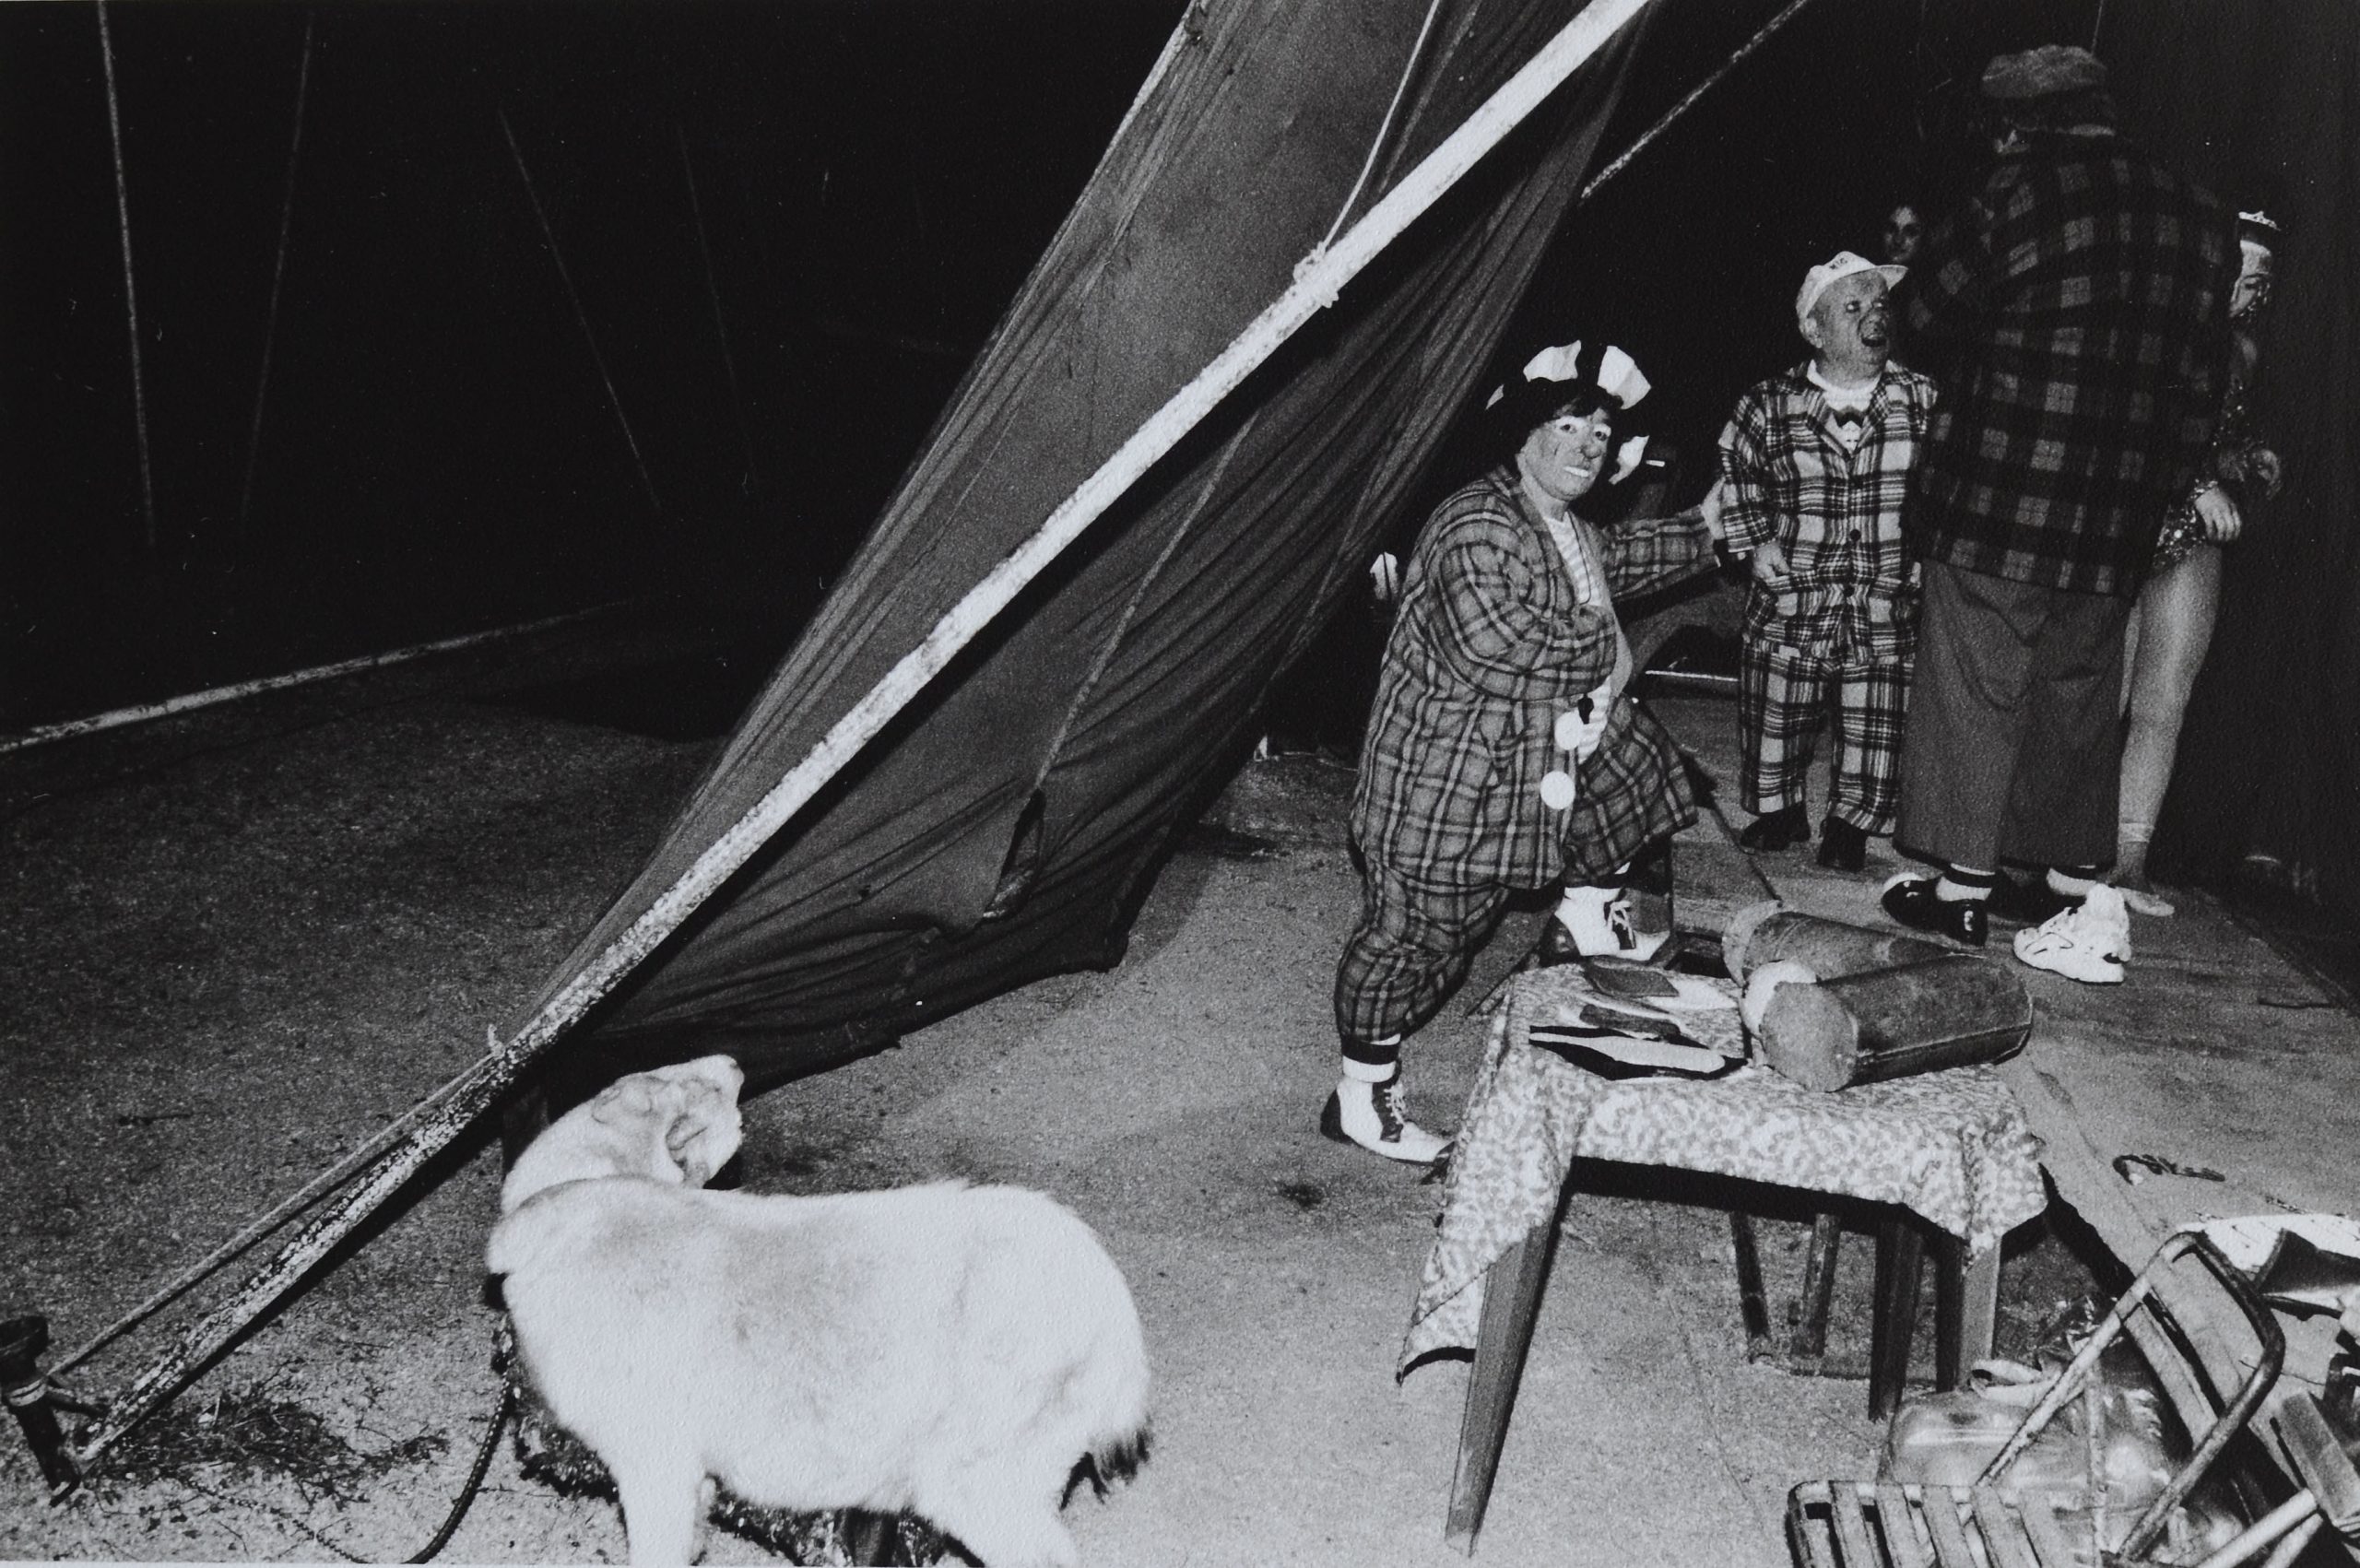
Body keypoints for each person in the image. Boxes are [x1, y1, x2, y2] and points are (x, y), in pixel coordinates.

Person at [1878, 43, 2236, 984]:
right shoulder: (2194, 210)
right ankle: (2039, 880)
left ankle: (1960, 894)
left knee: (1976, 681)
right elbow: (2203, 380)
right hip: (2113, 512)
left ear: (2012, 124)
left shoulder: (2014, 192)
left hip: (1997, 493)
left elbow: (1919, 318)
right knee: (2076, 690)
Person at [1328, 341, 1721, 1161]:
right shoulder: (1477, 521)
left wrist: (1705, 532)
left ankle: (1587, 911)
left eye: (1601, 433)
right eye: (1569, 424)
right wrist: (1603, 633)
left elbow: (1617, 560)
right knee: (1418, 944)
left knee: (1632, 760)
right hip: (1439, 791)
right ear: (1524, 435)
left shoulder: (1565, 525)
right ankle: (1361, 1098)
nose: (1587, 444)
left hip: (1512, 777)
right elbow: (1498, 645)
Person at [1720, 252, 1940, 872]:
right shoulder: (1768, 403)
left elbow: (1946, 482)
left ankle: (1851, 821)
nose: (1874, 318)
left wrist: (1931, 548)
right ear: (1813, 330)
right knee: (1776, 704)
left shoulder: (1920, 399)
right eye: (1853, 307)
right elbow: (1738, 473)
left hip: (1883, 588)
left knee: (1877, 712)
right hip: (1796, 589)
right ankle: (1778, 806)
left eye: (1880, 305)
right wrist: (1755, 538)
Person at [2114, 211, 2283, 914]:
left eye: (2264, 279)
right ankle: (2063, 850)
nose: (2253, 289)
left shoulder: (2241, 352)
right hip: (2134, 517)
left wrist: (2242, 459)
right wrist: (2194, 478)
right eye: (2242, 273)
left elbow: (2219, 435)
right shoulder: (2163, 334)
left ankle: (2127, 862)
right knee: (2106, 694)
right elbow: (2136, 422)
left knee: (2165, 698)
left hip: (2192, 537)